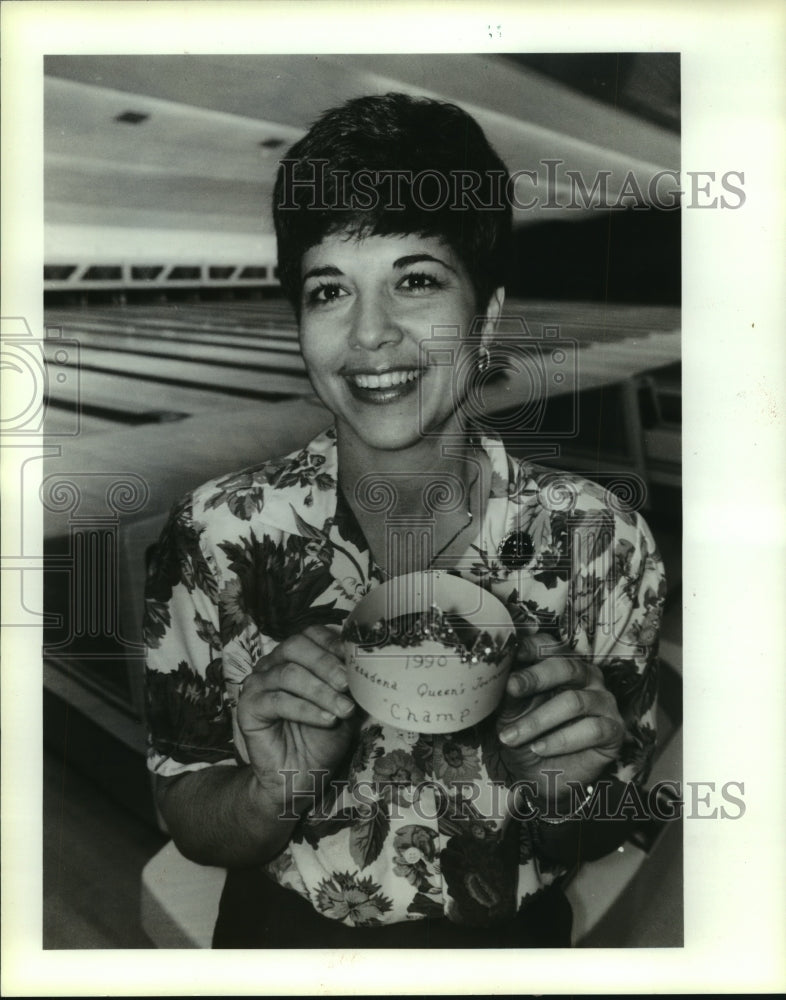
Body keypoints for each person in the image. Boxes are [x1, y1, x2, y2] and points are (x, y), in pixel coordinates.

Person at [143, 93, 665, 948]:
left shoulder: (605, 544)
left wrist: (566, 793)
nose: (370, 335)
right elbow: (190, 815)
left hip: (508, 947)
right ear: (299, 322)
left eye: (415, 281)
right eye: (329, 291)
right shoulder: (216, 534)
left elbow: (598, 833)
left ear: (487, 315)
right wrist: (272, 790)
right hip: (286, 941)